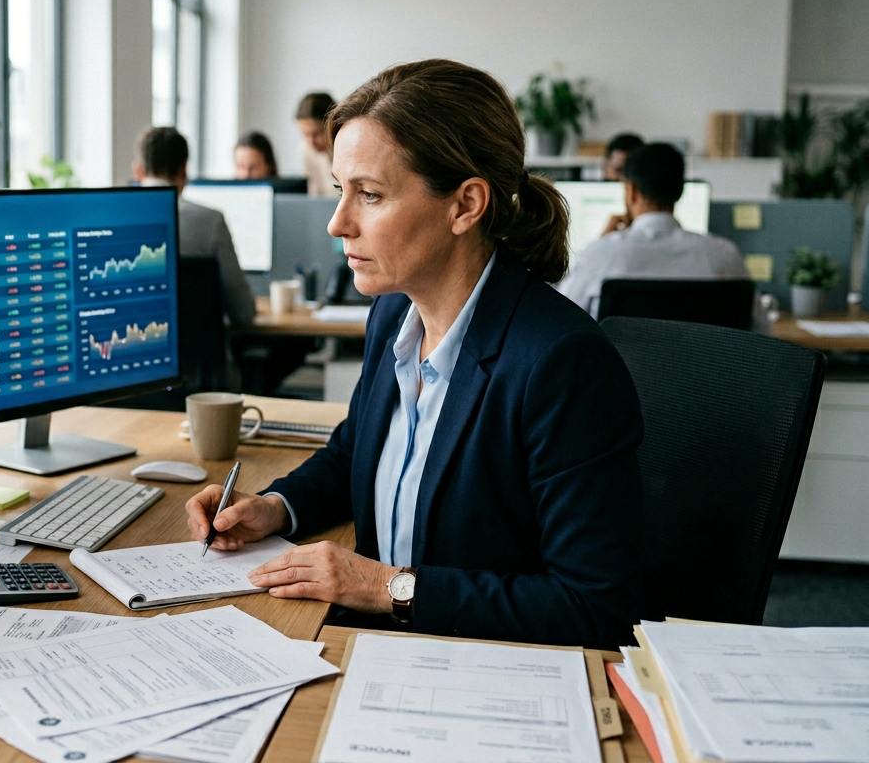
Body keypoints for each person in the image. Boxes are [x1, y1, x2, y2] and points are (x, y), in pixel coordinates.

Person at [185, 60, 644, 650]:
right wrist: (277, 507)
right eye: (340, 191)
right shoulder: (394, 314)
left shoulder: (561, 363)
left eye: (369, 195)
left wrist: (388, 588)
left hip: (474, 664)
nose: (336, 223)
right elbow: (356, 450)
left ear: (465, 205)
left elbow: (593, 606)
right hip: (377, 648)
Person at [557, 142, 766, 330]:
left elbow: (559, 319)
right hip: (704, 373)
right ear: (680, 192)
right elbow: (762, 333)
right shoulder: (725, 256)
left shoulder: (601, 254)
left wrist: (600, 246)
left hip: (619, 373)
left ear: (631, 192)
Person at [132, 126, 255, 328]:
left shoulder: (112, 223)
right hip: (202, 358)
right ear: (184, 169)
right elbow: (243, 312)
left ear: (138, 171)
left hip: (139, 354)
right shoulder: (210, 221)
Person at [296, 92, 340, 197]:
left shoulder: (349, 150)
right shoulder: (306, 150)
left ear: (334, 124)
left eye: (317, 134)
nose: (311, 142)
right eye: (305, 135)